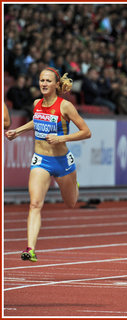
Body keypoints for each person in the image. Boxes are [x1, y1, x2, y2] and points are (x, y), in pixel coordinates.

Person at [5, 67, 91, 262]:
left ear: (56, 85)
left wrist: (62, 138)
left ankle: (74, 185)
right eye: (41, 80)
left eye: (47, 81)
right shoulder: (36, 103)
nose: (43, 84)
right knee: (35, 204)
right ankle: (30, 249)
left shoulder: (65, 106)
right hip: (41, 160)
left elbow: (86, 132)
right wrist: (17, 131)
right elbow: (36, 121)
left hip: (62, 162)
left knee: (71, 203)